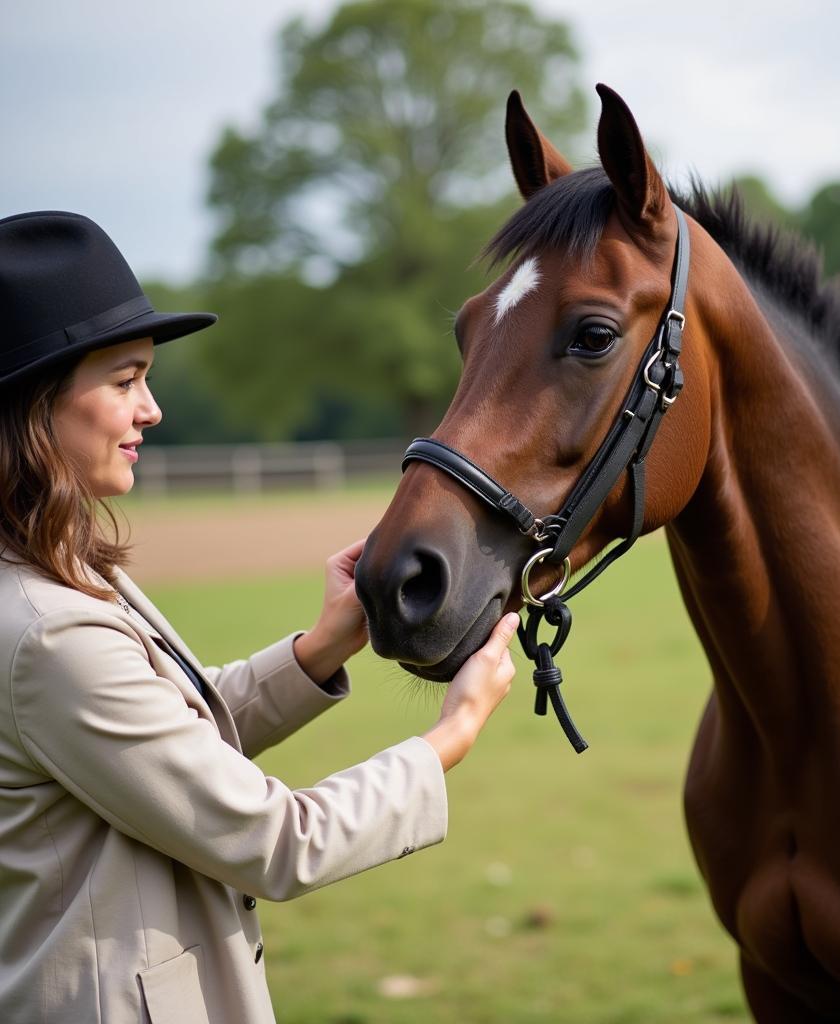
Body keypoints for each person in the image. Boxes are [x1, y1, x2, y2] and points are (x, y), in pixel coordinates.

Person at [0, 210, 518, 1024]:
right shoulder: (47, 634)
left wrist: (322, 647)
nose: (153, 410)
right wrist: (451, 734)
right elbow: (277, 841)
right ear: (36, 403)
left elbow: (165, 744)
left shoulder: (47, 581)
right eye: (126, 379)